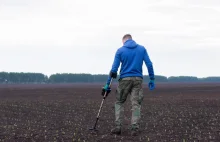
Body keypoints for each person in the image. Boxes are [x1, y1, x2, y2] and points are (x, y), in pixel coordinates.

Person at [102, 34, 155, 136]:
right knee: (136, 104)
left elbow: (113, 70)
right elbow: (149, 64)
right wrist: (152, 78)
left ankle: (118, 127)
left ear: (123, 41)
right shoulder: (142, 49)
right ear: (131, 39)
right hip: (138, 80)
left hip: (124, 80)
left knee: (119, 102)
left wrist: (107, 84)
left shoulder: (120, 51)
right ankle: (134, 128)